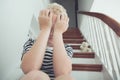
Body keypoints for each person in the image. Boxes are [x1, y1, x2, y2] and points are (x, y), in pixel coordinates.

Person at [20, 3, 74, 80]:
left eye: (56, 28)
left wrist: (58, 32)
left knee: (66, 78)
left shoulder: (67, 48)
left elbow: (63, 72)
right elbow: (29, 69)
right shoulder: (31, 43)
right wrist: (45, 29)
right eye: (49, 27)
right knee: (37, 76)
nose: (52, 33)